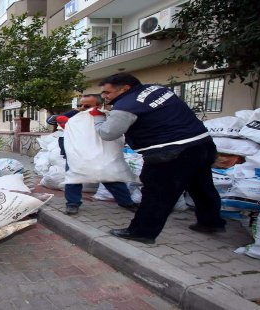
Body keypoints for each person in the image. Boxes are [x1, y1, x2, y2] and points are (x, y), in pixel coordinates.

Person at [93, 73, 225, 244]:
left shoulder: (126, 105)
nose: (104, 96)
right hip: (202, 145)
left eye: (107, 93)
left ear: (125, 88)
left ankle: (142, 232)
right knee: (202, 187)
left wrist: (97, 118)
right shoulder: (157, 89)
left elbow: (108, 133)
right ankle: (211, 223)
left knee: (156, 193)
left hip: (170, 153)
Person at [47, 94, 138, 215]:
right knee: (74, 179)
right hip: (78, 154)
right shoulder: (76, 117)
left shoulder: (106, 116)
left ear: (99, 105)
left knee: (111, 178)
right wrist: (75, 111)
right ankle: (72, 204)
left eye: (87, 105)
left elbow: (113, 131)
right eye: (81, 105)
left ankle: (126, 202)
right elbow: (53, 120)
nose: (83, 108)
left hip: (101, 153)